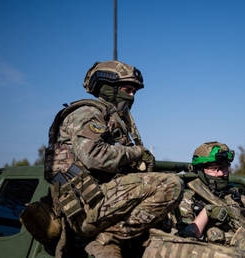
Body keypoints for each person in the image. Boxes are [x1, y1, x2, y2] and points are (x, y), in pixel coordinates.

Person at [42, 60, 183, 258]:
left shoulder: (112, 117)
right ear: (108, 88)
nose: (132, 96)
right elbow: (94, 156)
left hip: (101, 202)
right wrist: (136, 152)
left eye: (135, 91)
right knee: (170, 185)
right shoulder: (88, 113)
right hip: (86, 207)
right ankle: (108, 237)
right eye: (127, 89)